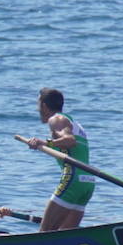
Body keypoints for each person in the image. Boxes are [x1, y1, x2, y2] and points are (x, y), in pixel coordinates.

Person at [26, 87, 94, 231]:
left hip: (73, 179)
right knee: (63, 235)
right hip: (87, 182)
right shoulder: (74, 123)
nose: (37, 109)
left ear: (44, 105)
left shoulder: (56, 119)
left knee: (46, 232)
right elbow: (70, 150)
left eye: (38, 105)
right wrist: (41, 146)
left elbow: (69, 140)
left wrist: (46, 142)